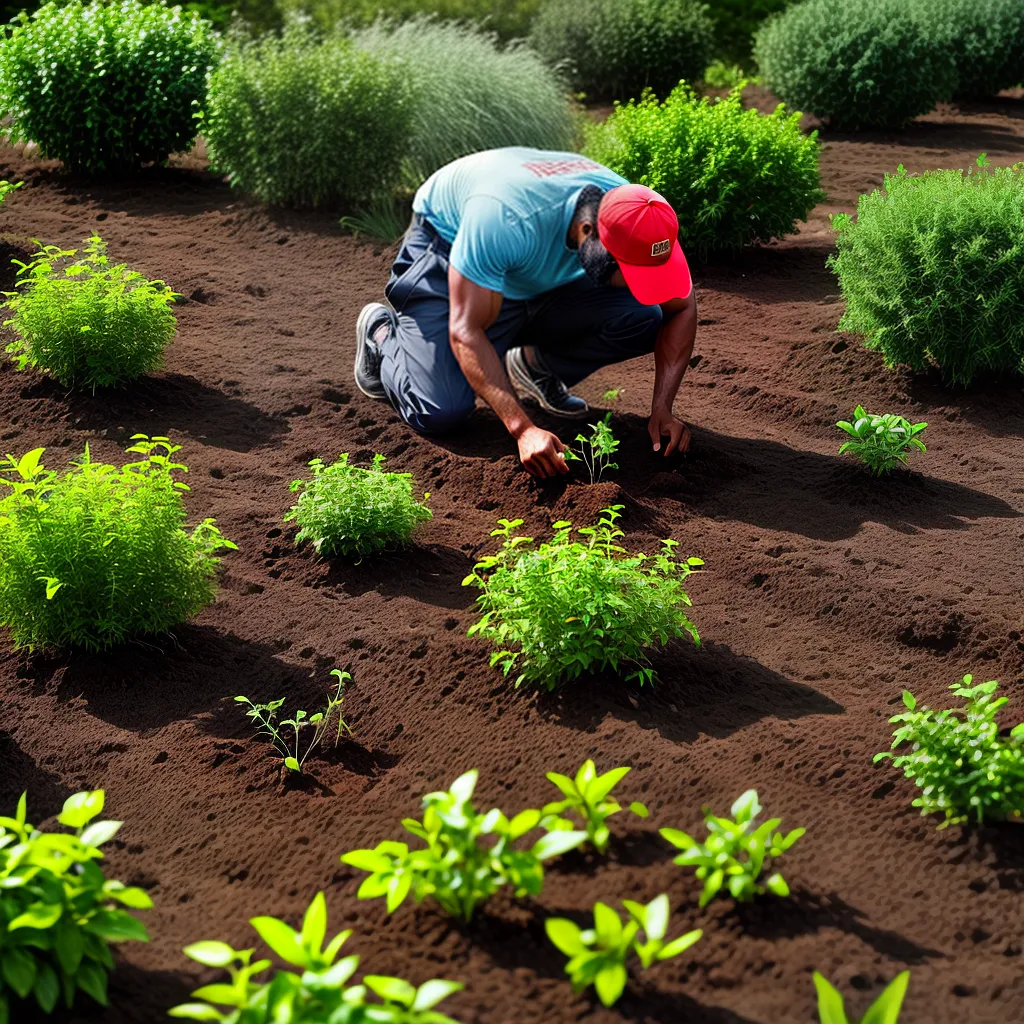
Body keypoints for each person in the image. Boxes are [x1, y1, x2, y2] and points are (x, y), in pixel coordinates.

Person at [353, 146, 697, 479]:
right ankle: (383, 336)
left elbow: (681, 307)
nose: (639, 284)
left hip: (531, 269)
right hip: (448, 248)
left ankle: (535, 365)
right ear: (589, 233)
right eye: (631, 272)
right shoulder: (503, 218)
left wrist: (662, 407)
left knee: (646, 316)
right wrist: (522, 429)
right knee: (441, 411)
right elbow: (465, 331)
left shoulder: (642, 217)